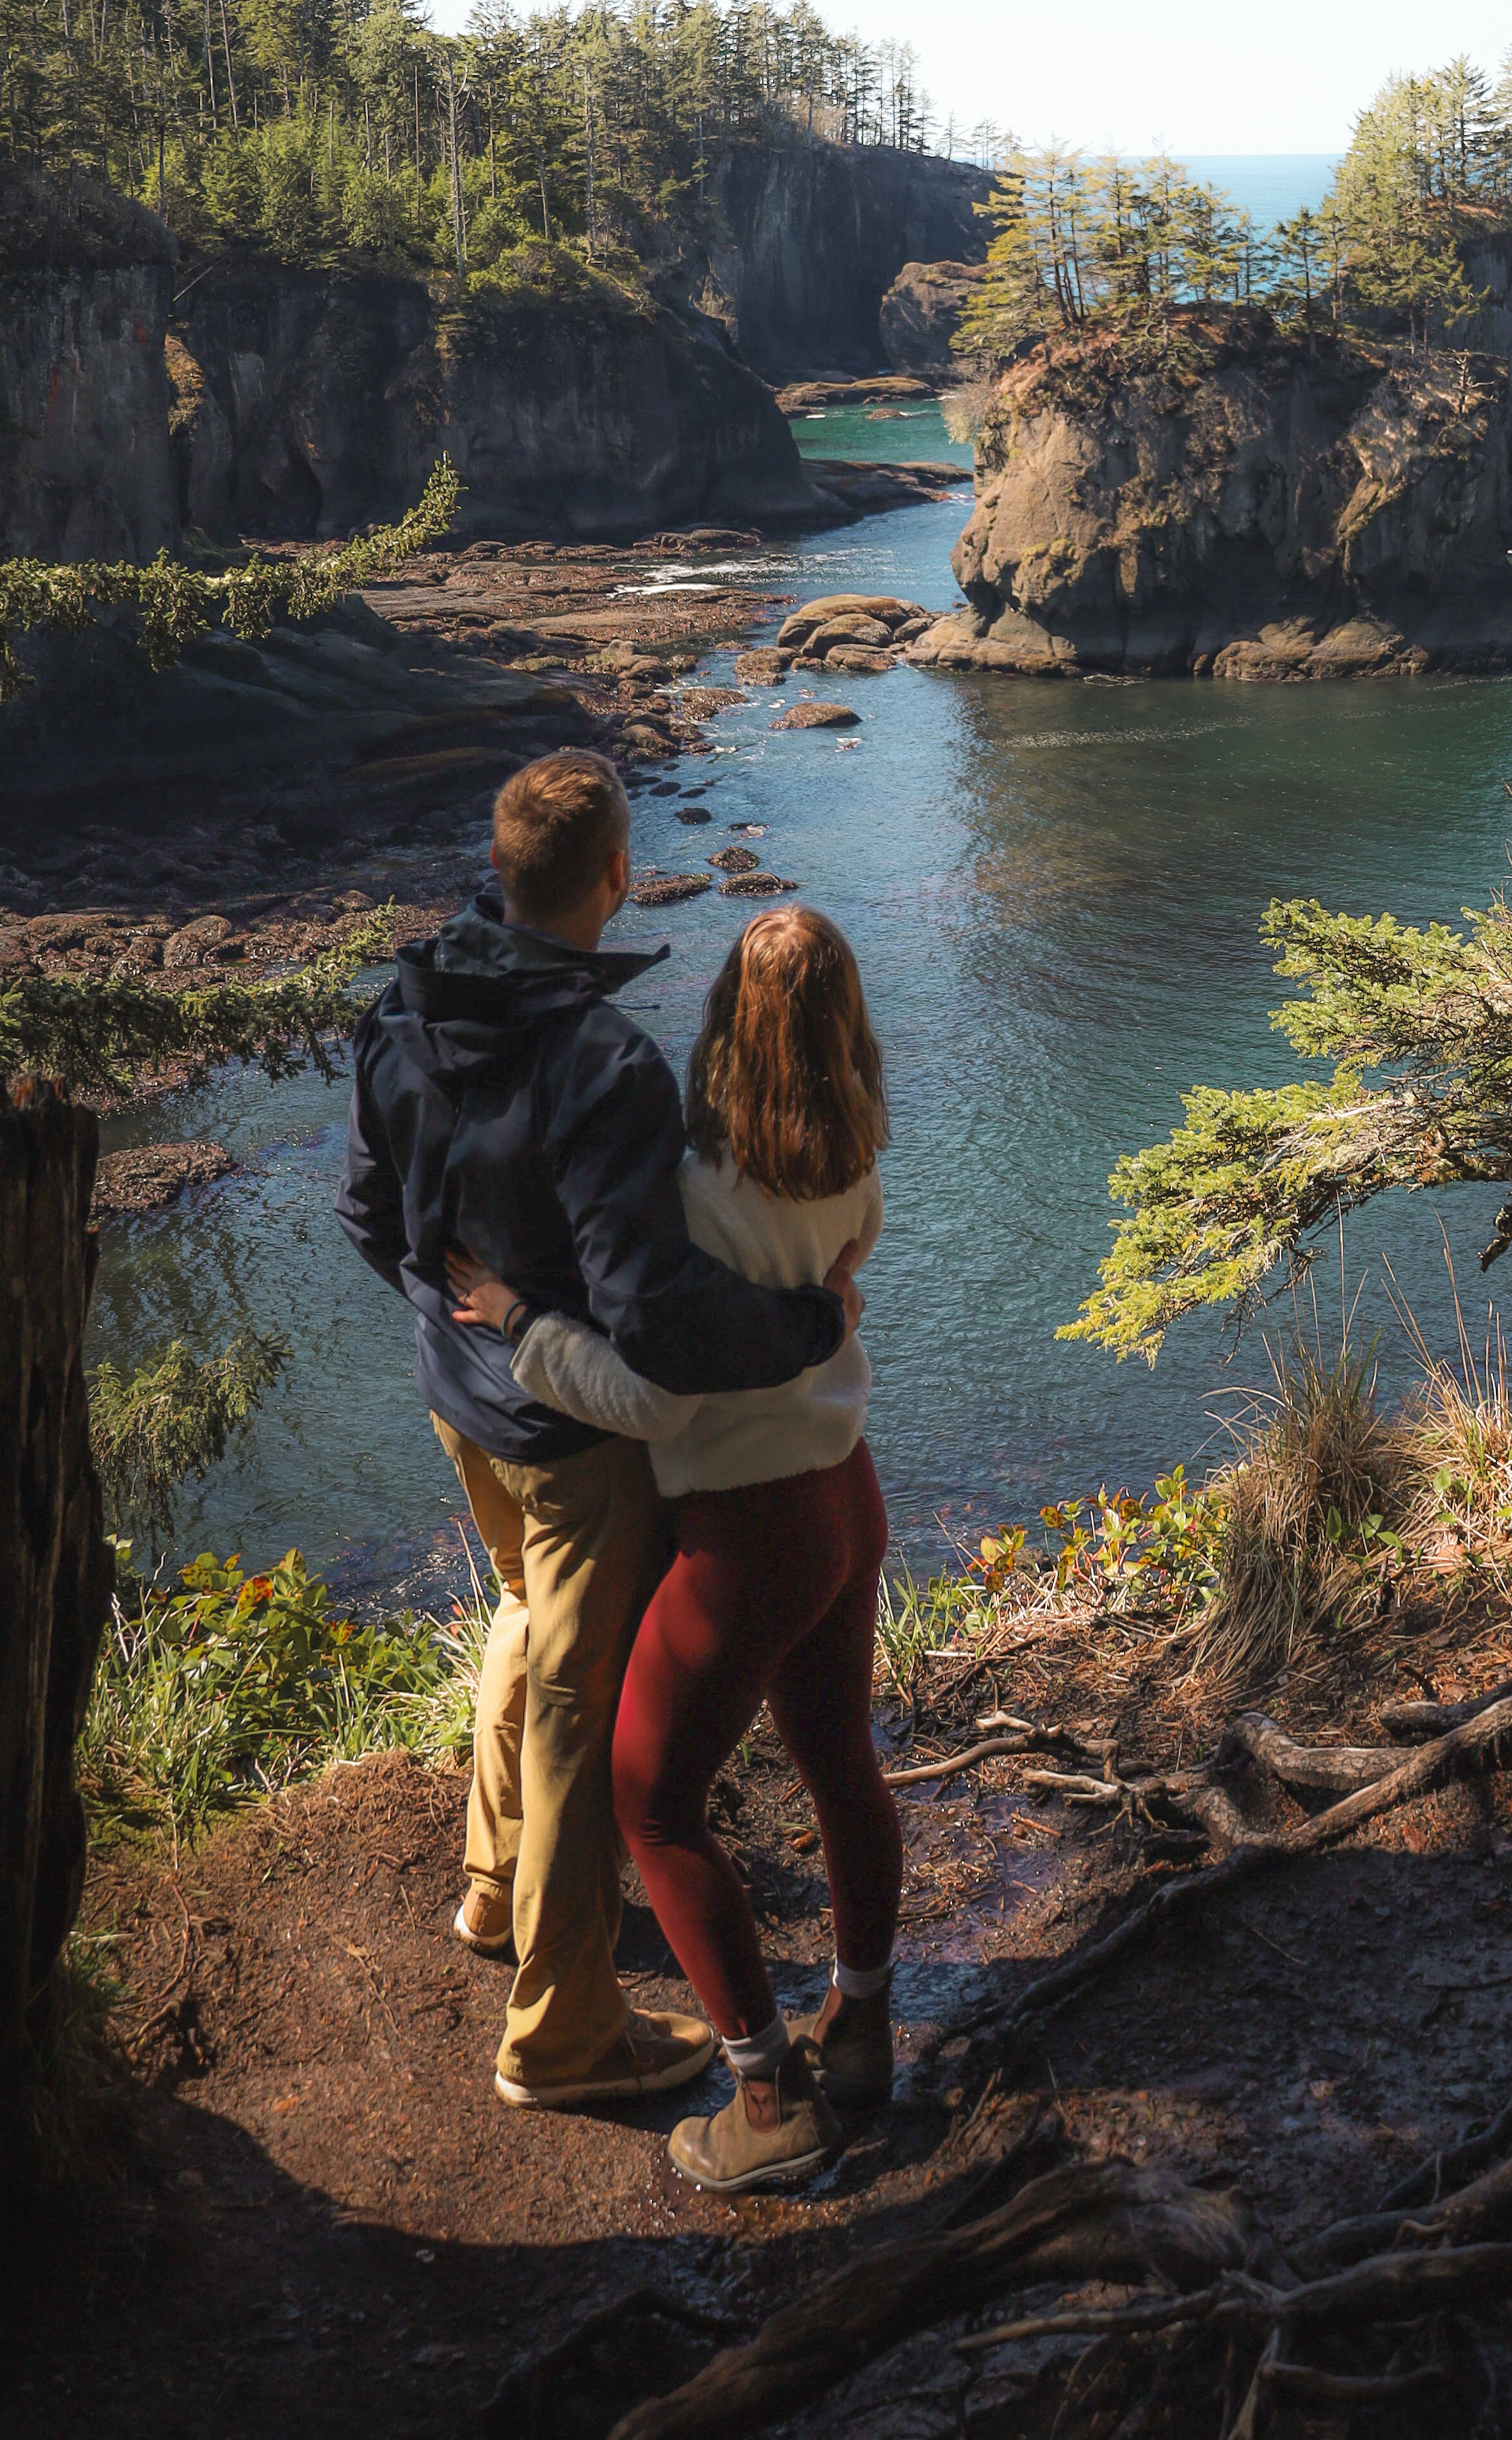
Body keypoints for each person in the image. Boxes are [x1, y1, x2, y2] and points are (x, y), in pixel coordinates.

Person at [337, 750, 849, 2116]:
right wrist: (804, 1326)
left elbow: (367, 1218)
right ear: (619, 874)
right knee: (577, 1706)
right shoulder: (603, 1060)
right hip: (566, 1429)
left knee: (524, 1612)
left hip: (461, 1392)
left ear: (500, 869)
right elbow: (657, 1315)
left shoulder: (402, 1000)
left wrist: (463, 1319)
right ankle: (558, 2034)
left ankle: (495, 1890)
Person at [447, 901, 901, 2197]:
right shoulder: (857, 1156)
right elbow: (838, 1284)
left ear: (722, 1021)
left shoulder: (697, 1197)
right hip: (844, 1497)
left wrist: (520, 1317)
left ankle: (767, 2094)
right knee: (840, 1763)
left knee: (652, 1798)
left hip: (751, 1530)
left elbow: (657, 1398)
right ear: (849, 1023)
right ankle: (858, 2025)